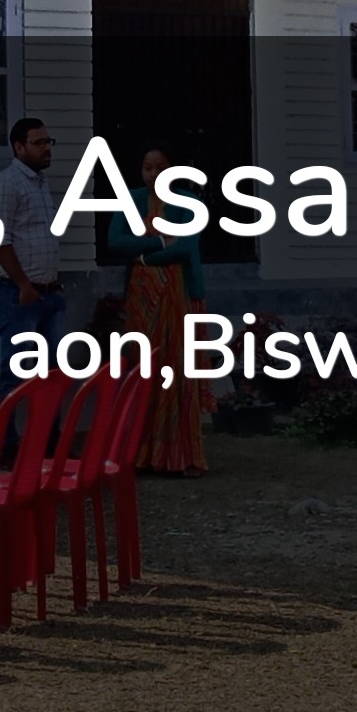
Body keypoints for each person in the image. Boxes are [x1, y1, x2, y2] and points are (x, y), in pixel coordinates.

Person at [107, 145, 210, 474]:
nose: (153, 174)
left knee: (177, 370)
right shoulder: (131, 200)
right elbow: (116, 241)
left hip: (179, 296)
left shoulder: (189, 202)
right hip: (141, 299)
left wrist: (143, 257)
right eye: (147, 167)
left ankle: (179, 456)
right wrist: (159, 242)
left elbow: (186, 246)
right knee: (144, 367)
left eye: (160, 167)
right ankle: (141, 453)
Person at [0, 116, 70, 338]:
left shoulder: (40, 183)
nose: (46, 148)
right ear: (19, 147)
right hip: (16, 292)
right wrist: (24, 286)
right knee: (15, 356)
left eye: (48, 142)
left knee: (52, 358)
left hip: (48, 291)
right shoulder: (7, 183)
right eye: (38, 143)